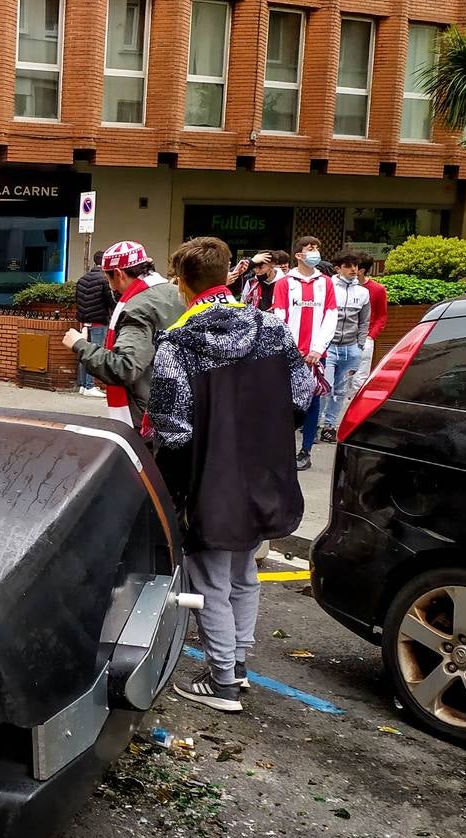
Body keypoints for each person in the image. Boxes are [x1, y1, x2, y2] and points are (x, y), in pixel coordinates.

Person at [149, 236, 311, 713]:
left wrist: (176, 490)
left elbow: (173, 429)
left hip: (209, 478)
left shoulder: (178, 342)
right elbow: (302, 395)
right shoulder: (272, 328)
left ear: (183, 283)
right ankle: (237, 666)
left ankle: (221, 682)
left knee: (208, 580)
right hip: (263, 472)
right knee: (245, 572)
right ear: (226, 276)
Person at [61, 240, 184, 432]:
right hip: (180, 405)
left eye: (108, 278)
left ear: (118, 274)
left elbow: (125, 367)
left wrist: (79, 344)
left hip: (148, 414)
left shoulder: (137, 308)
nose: (111, 287)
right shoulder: (176, 293)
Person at [270, 236, 338, 471]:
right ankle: (282, 450)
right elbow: (279, 317)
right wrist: (291, 350)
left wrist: (317, 349)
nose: (315, 252)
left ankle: (306, 450)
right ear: (299, 254)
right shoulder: (284, 283)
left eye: (317, 248)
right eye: (310, 248)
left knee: (313, 402)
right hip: (290, 356)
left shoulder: (326, 283)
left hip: (316, 356)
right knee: (285, 403)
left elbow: (331, 316)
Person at [316, 254, 371, 445]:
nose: (353, 269)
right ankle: (315, 424)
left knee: (340, 390)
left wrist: (360, 345)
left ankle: (329, 427)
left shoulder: (363, 292)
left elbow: (364, 321)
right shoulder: (327, 288)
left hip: (351, 347)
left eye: (355, 265)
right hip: (329, 347)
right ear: (338, 268)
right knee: (325, 387)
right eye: (348, 266)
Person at [72, 250, 116, 399]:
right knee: (94, 353)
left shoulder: (82, 279)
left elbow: (77, 299)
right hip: (98, 321)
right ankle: (90, 386)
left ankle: (83, 385)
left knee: (84, 352)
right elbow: (111, 301)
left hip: (84, 321)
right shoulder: (104, 279)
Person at [352, 255, 390, 394]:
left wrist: (371, 336)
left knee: (360, 379)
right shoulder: (343, 287)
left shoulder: (377, 289)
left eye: (354, 266)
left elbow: (382, 315)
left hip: (366, 338)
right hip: (344, 337)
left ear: (361, 270)